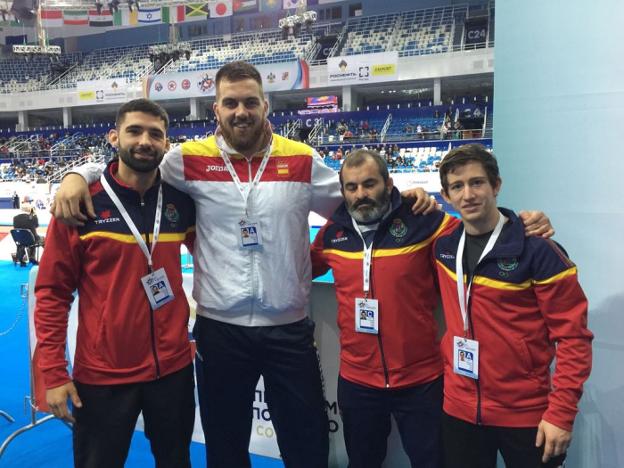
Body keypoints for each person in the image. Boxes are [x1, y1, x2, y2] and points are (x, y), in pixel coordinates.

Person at [52, 61, 436, 468]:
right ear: (215, 109)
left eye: (250, 102)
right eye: (230, 103)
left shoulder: (302, 160)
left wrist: (408, 199)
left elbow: (358, 203)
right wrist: (77, 174)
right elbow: (131, 164)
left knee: (306, 446)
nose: (241, 111)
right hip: (220, 333)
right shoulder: (187, 160)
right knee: (226, 447)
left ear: (265, 106)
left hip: (288, 331)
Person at [310, 149, 553, 468]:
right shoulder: (332, 233)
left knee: (432, 462)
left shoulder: (423, 220)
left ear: (388, 183)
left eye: (369, 184)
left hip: (422, 381)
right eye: (352, 187)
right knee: (362, 461)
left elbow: (482, 230)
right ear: (343, 192)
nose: (361, 194)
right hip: (358, 382)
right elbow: (298, 269)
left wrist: (525, 223)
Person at [35, 99, 196, 468]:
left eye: (155, 134)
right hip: (103, 374)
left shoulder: (180, 203)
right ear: (114, 137)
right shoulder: (80, 205)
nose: (144, 141)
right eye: (134, 131)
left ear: (166, 144)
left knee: (176, 461)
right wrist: (55, 374)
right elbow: (52, 294)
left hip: (171, 370)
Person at [434, 144, 593, 468]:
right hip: (459, 409)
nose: (468, 194)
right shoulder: (443, 247)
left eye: (477, 182)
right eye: (458, 186)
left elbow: (574, 337)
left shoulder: (539, 250)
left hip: (526, 414)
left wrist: (561, 413)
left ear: (496, 185)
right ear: (446, 196)